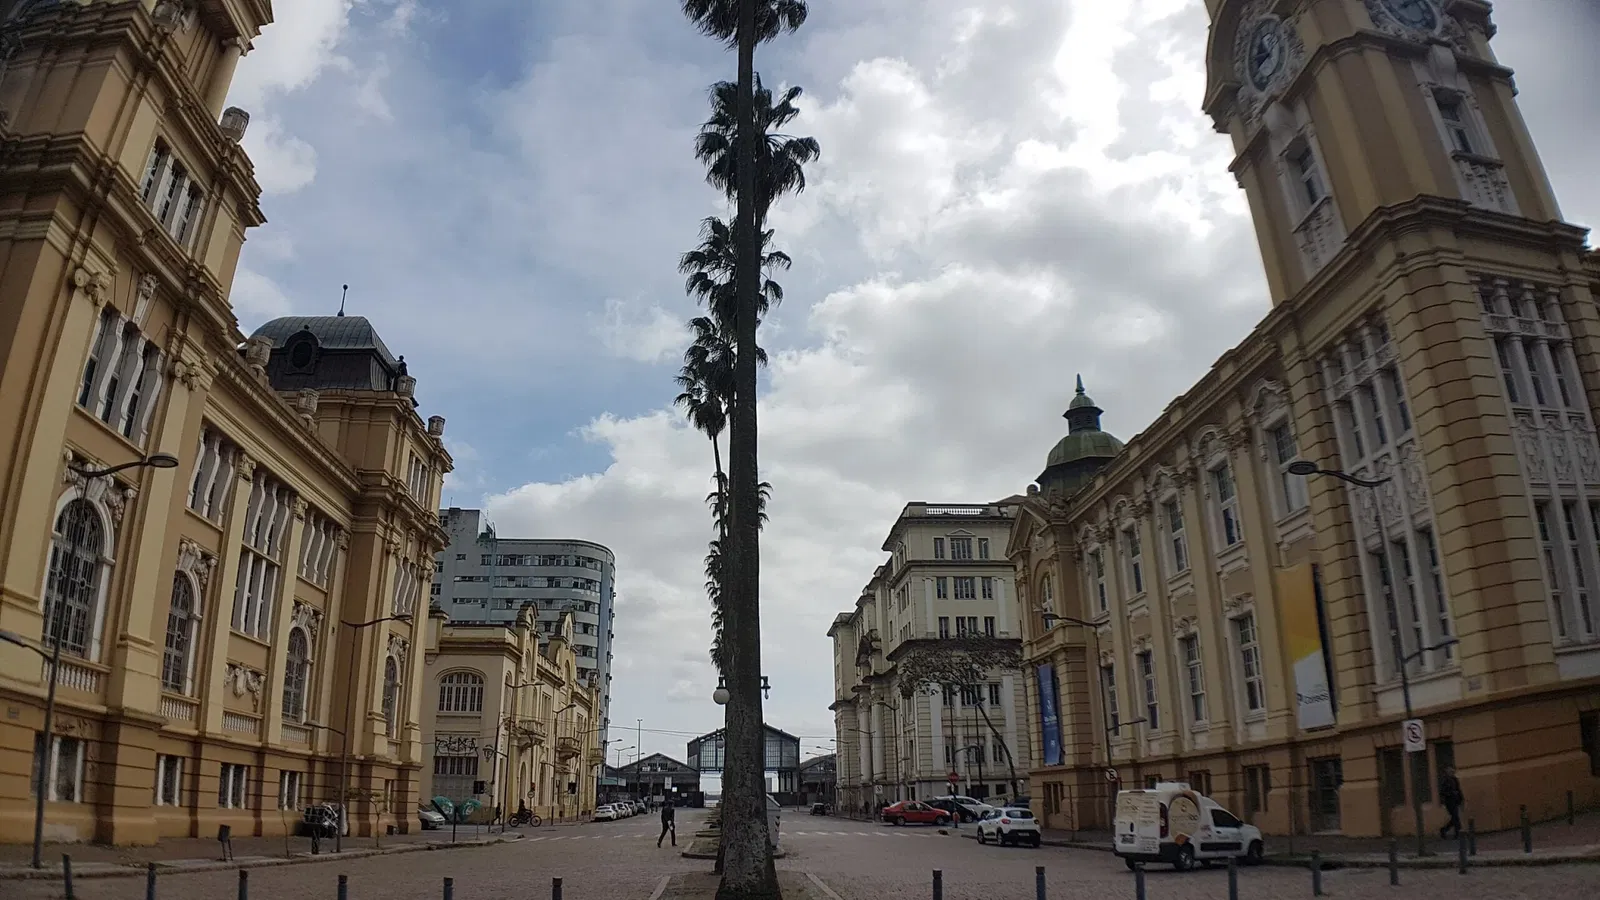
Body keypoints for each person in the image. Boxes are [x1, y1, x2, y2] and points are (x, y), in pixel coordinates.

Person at [1439, 766, 1464, 839]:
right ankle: (1458, 832)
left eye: (1453, 772)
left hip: (1455, 801)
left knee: (1455, 817)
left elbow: (1458, 789)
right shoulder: (1445, 781)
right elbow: (1442, 792)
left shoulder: (1455, 779)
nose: (1452, 773)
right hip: (1449, 801)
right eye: (1451, 772)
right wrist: (1451, 793)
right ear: (1447, 773)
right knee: (1455, 817)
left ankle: (1444, 829)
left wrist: (1461, 799)